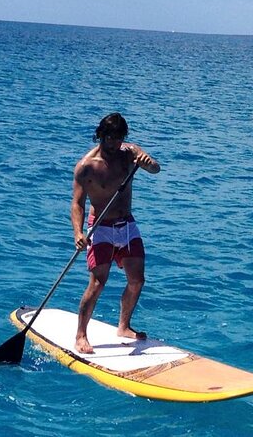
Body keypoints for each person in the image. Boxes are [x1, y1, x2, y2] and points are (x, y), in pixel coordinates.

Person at [71, 113, 160, 354]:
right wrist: (78, 232)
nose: (114, 143)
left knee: (137, 280)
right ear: (100, 135)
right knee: (98, 282)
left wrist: (147, 163)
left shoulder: (129, 153)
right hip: (100, 228)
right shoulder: (86, 167)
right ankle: (80, 336)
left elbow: (155, 169)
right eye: (109, 137)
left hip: (127, 225)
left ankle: (124, 326)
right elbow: (77, 203)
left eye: (119, 138)